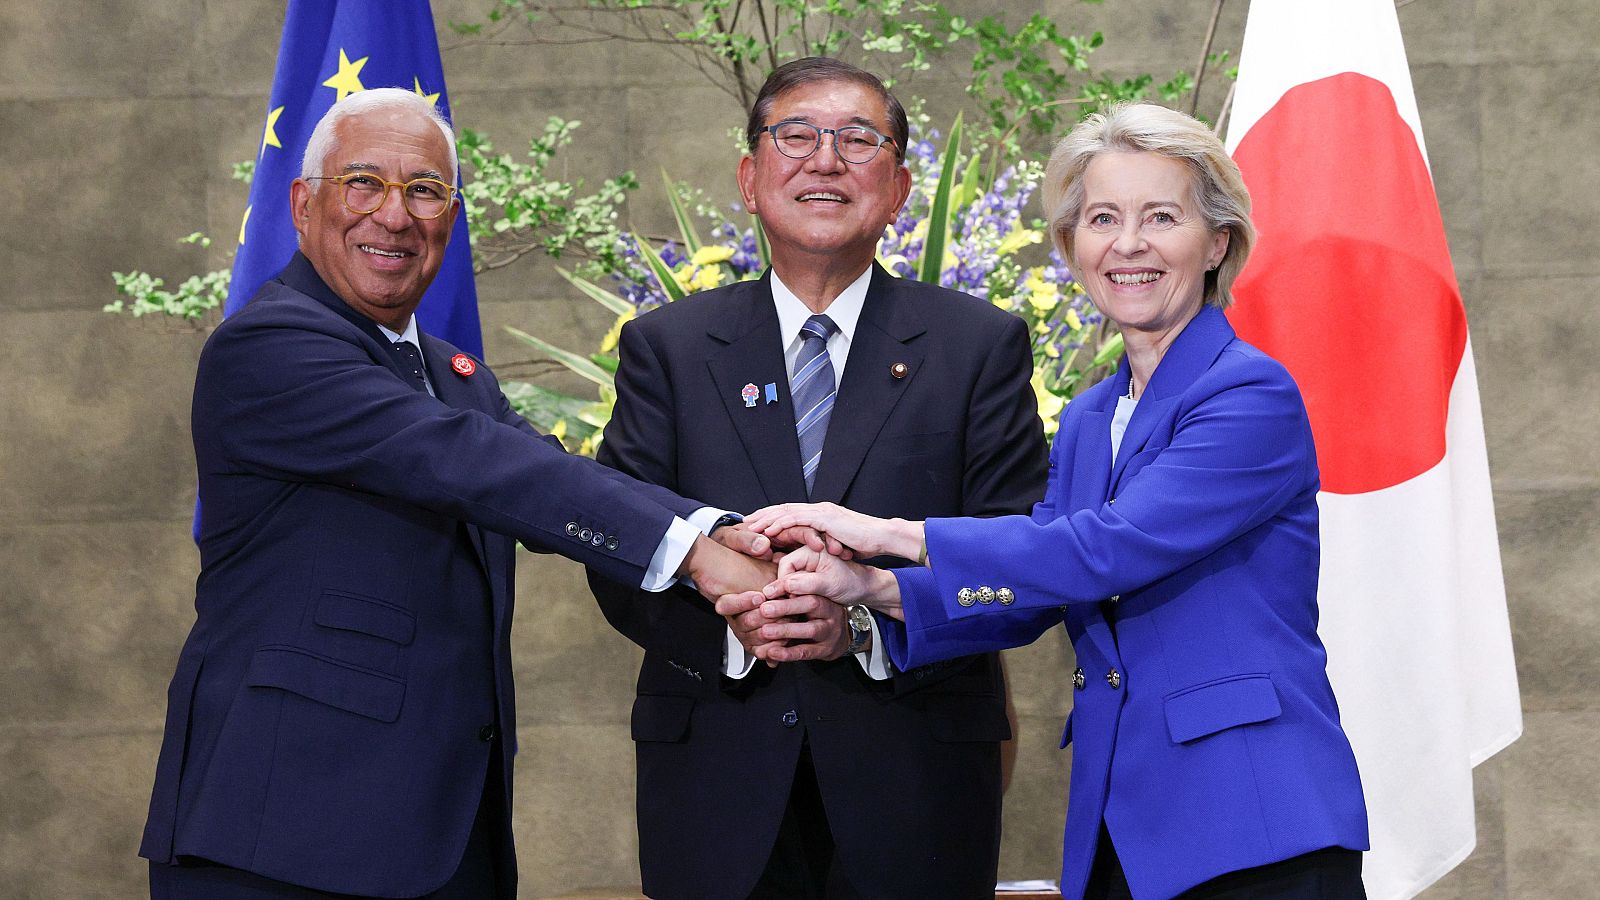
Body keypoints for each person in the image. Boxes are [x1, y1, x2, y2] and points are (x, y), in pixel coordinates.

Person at [139, 88, 772, 900]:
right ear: (302, 204)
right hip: (283, 837)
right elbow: (474, 462)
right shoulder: (270, 346)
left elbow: (546, 477)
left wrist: (737, 536)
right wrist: (699, 552)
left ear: (452, 215)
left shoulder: (452, 376)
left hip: (440, 839)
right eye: (362, 182)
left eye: (426, 190)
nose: (394, 215)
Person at [739, 103, 1371, 899]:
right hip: (1124, 821)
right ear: (1074, 247)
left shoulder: (1249, 392)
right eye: (1102, 218)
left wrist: (889, 535)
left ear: (1217, 244)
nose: (1129, 244)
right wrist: (870, 590)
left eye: (1161, 217)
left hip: (1252, 819)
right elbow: (1032, 590)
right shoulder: (1087, 417)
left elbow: (1103, 548)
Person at [586, 58, 1048, 899]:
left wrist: (867, 627)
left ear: (901, 186)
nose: (825, 161)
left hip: (916, 788)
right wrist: (743, 628)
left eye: (858, 140)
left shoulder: (978, 347)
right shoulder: (670, 348)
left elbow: (1012, 558)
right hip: (717, 784)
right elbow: (621, 543)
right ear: (750, 176)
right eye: (796, 135)